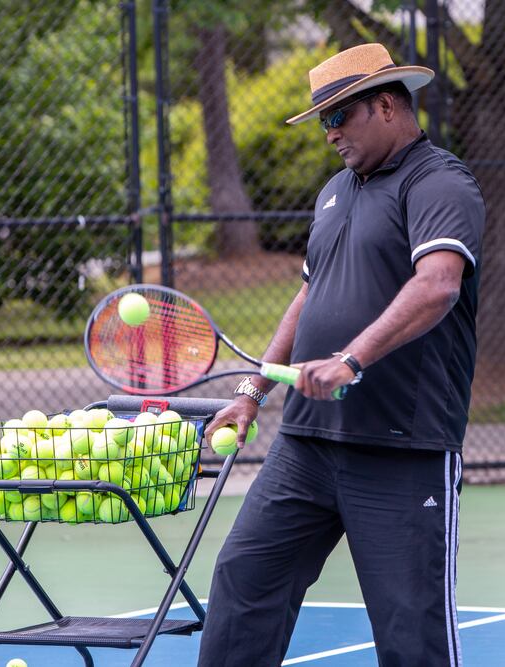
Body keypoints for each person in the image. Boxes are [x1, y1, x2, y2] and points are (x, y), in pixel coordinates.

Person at [197, 43, 486, 667]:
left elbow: (438, 284)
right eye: (321, 121)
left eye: (336, 117)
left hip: (400, 448)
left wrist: (351, 359)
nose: (327, 134)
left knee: (412, 634)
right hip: (306, 446)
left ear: (385, 104)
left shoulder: (438, 181)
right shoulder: (335, 192)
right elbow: (308, 296)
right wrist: (252, 394)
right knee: (244, 582)